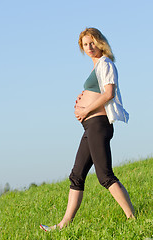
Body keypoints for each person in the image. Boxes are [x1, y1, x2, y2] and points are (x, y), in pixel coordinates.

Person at [40, 27, 135, 232]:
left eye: (92, 42)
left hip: (99, 124)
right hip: (90, 126)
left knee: (104, 175)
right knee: (76, 175)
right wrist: (83, 104)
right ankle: (63, 225)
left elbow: (108, 93)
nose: (89, 47)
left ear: (100, 42)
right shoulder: (96, 67)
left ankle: (132, 218)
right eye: (85, 44)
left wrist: (86, 109)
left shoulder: (106, 63)